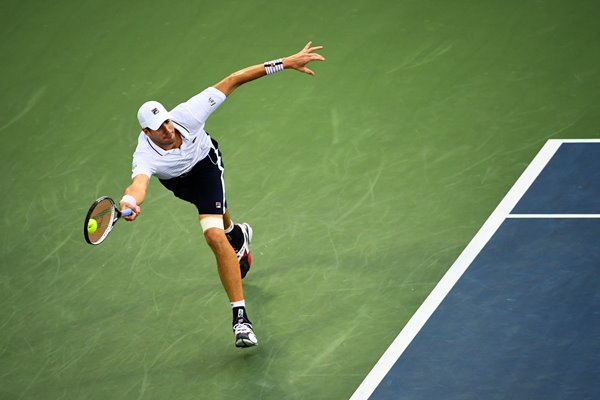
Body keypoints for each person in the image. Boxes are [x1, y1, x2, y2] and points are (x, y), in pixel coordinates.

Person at [119, 42, 325, 348]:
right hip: (179, 183)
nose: (166, 129)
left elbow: (234, 79)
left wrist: (286, 62)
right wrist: (129, 202)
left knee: (213, 236)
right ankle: (237, 235)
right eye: (157, 128)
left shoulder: (188, 114)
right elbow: (139, 184)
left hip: (206, 165)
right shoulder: (144, 155)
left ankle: (240, 319)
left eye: (164, 121)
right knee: (217, 217)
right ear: (146, 133)